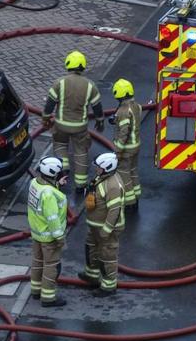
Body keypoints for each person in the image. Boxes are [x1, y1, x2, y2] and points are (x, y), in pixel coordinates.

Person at [43, 51, 105, 193]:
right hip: (80, 127)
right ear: (83, 66)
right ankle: (80, 185)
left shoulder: (60, 83)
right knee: (81, 152)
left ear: (68, 64)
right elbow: (98, 108)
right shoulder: (90, 86)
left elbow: (50, 105)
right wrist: (100, 121)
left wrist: (45, 118)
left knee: (59, 144)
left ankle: (63, 171)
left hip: (61, 125)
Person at [77, 152, 125, 296]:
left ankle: (108, 286)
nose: (96, 169)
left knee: (107, 255)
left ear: (107, 168)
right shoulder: (102, 177)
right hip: (95, 225)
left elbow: (114, 211)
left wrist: (107, 230)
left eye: (98, 167)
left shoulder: (113, 186)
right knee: (91, 248)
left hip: (106, 229)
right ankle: (92, 275)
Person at [28, 156, 70, 308]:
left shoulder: (34, 184)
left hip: (37, 234)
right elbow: (52, 218)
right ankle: (48, 298)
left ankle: (36, 290)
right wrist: (60, 237)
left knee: (38, 263)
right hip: (49, 238)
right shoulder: (49, 195)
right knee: (51, 267)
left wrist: (57, 185)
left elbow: (44, 194)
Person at [111, 79, 143, 211]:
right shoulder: (137, 106)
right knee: (133, 171)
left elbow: (123, 133)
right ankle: (137, 196)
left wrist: (117, 151)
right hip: (136, 146)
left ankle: (130, 203)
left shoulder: (123, 111)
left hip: (126, 149)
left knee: (124, 174)